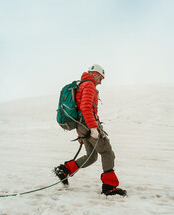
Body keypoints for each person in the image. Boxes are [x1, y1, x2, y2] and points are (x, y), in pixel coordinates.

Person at [54, 64, 127, 196]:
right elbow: (86, 108)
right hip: (88, 125)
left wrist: (82, 133)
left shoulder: (82, 85)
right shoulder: (88, 85)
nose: (101, 81)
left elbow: (80, 108)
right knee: (107, 152)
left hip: (81, 125)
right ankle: (109, 187)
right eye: (101, 78)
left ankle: (64, 170)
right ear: (95, 74)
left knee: (91, 156)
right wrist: (93, 128)